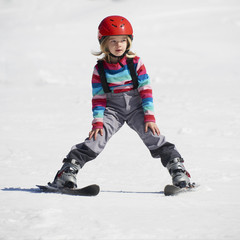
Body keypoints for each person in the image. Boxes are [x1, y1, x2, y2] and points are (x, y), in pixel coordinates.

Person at [49, 15, 192, 189]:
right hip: (112, 110)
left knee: (153, 137)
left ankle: (179, 171)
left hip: (137, 108)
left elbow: (146, 91)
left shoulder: (136, 63)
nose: (118, 45)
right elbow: (99, 98)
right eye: (113, 41)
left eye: (123, 40)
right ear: (104, 43)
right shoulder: (99, 69)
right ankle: (67, 173)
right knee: (96, 139)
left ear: (129, 42)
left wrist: (149, 117)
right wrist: (98, 122)